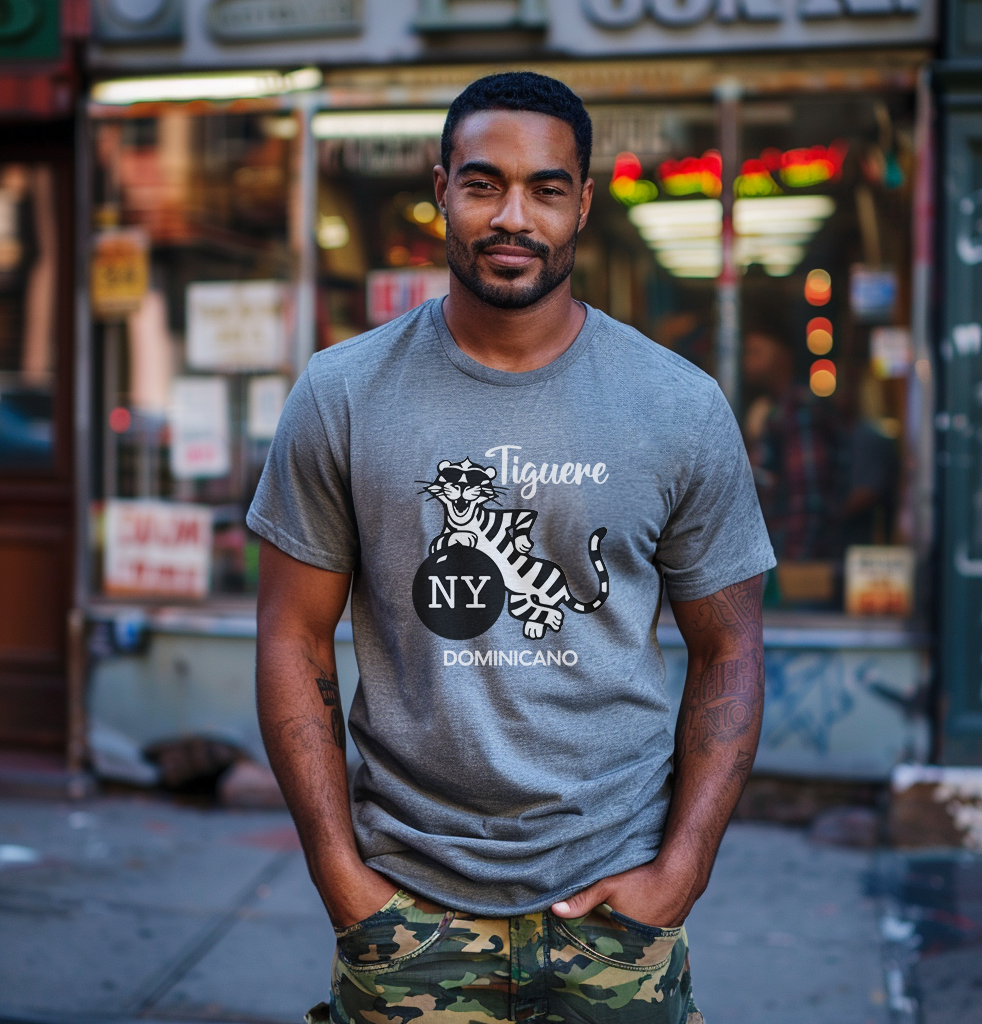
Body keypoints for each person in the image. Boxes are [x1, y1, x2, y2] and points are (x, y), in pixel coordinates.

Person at [249, 72, 775, 1024]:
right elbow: (290, 636)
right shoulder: (342, 394)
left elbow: (730, 647)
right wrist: (340, 876)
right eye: (485, 183)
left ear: (583, 200)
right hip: (409, 907)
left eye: (545, 188)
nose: (513, 216)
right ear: (442, 187)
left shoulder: (678, 405)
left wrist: (683, 871)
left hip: (617, 903)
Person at [743, 325, 843, 562]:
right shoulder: (772, 409)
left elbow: (807, 498)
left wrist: (796, 562)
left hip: (795, 562)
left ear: (784, 355)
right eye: (747, 353)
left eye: (757, 351)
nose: (748, 360)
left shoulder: (798, 409)